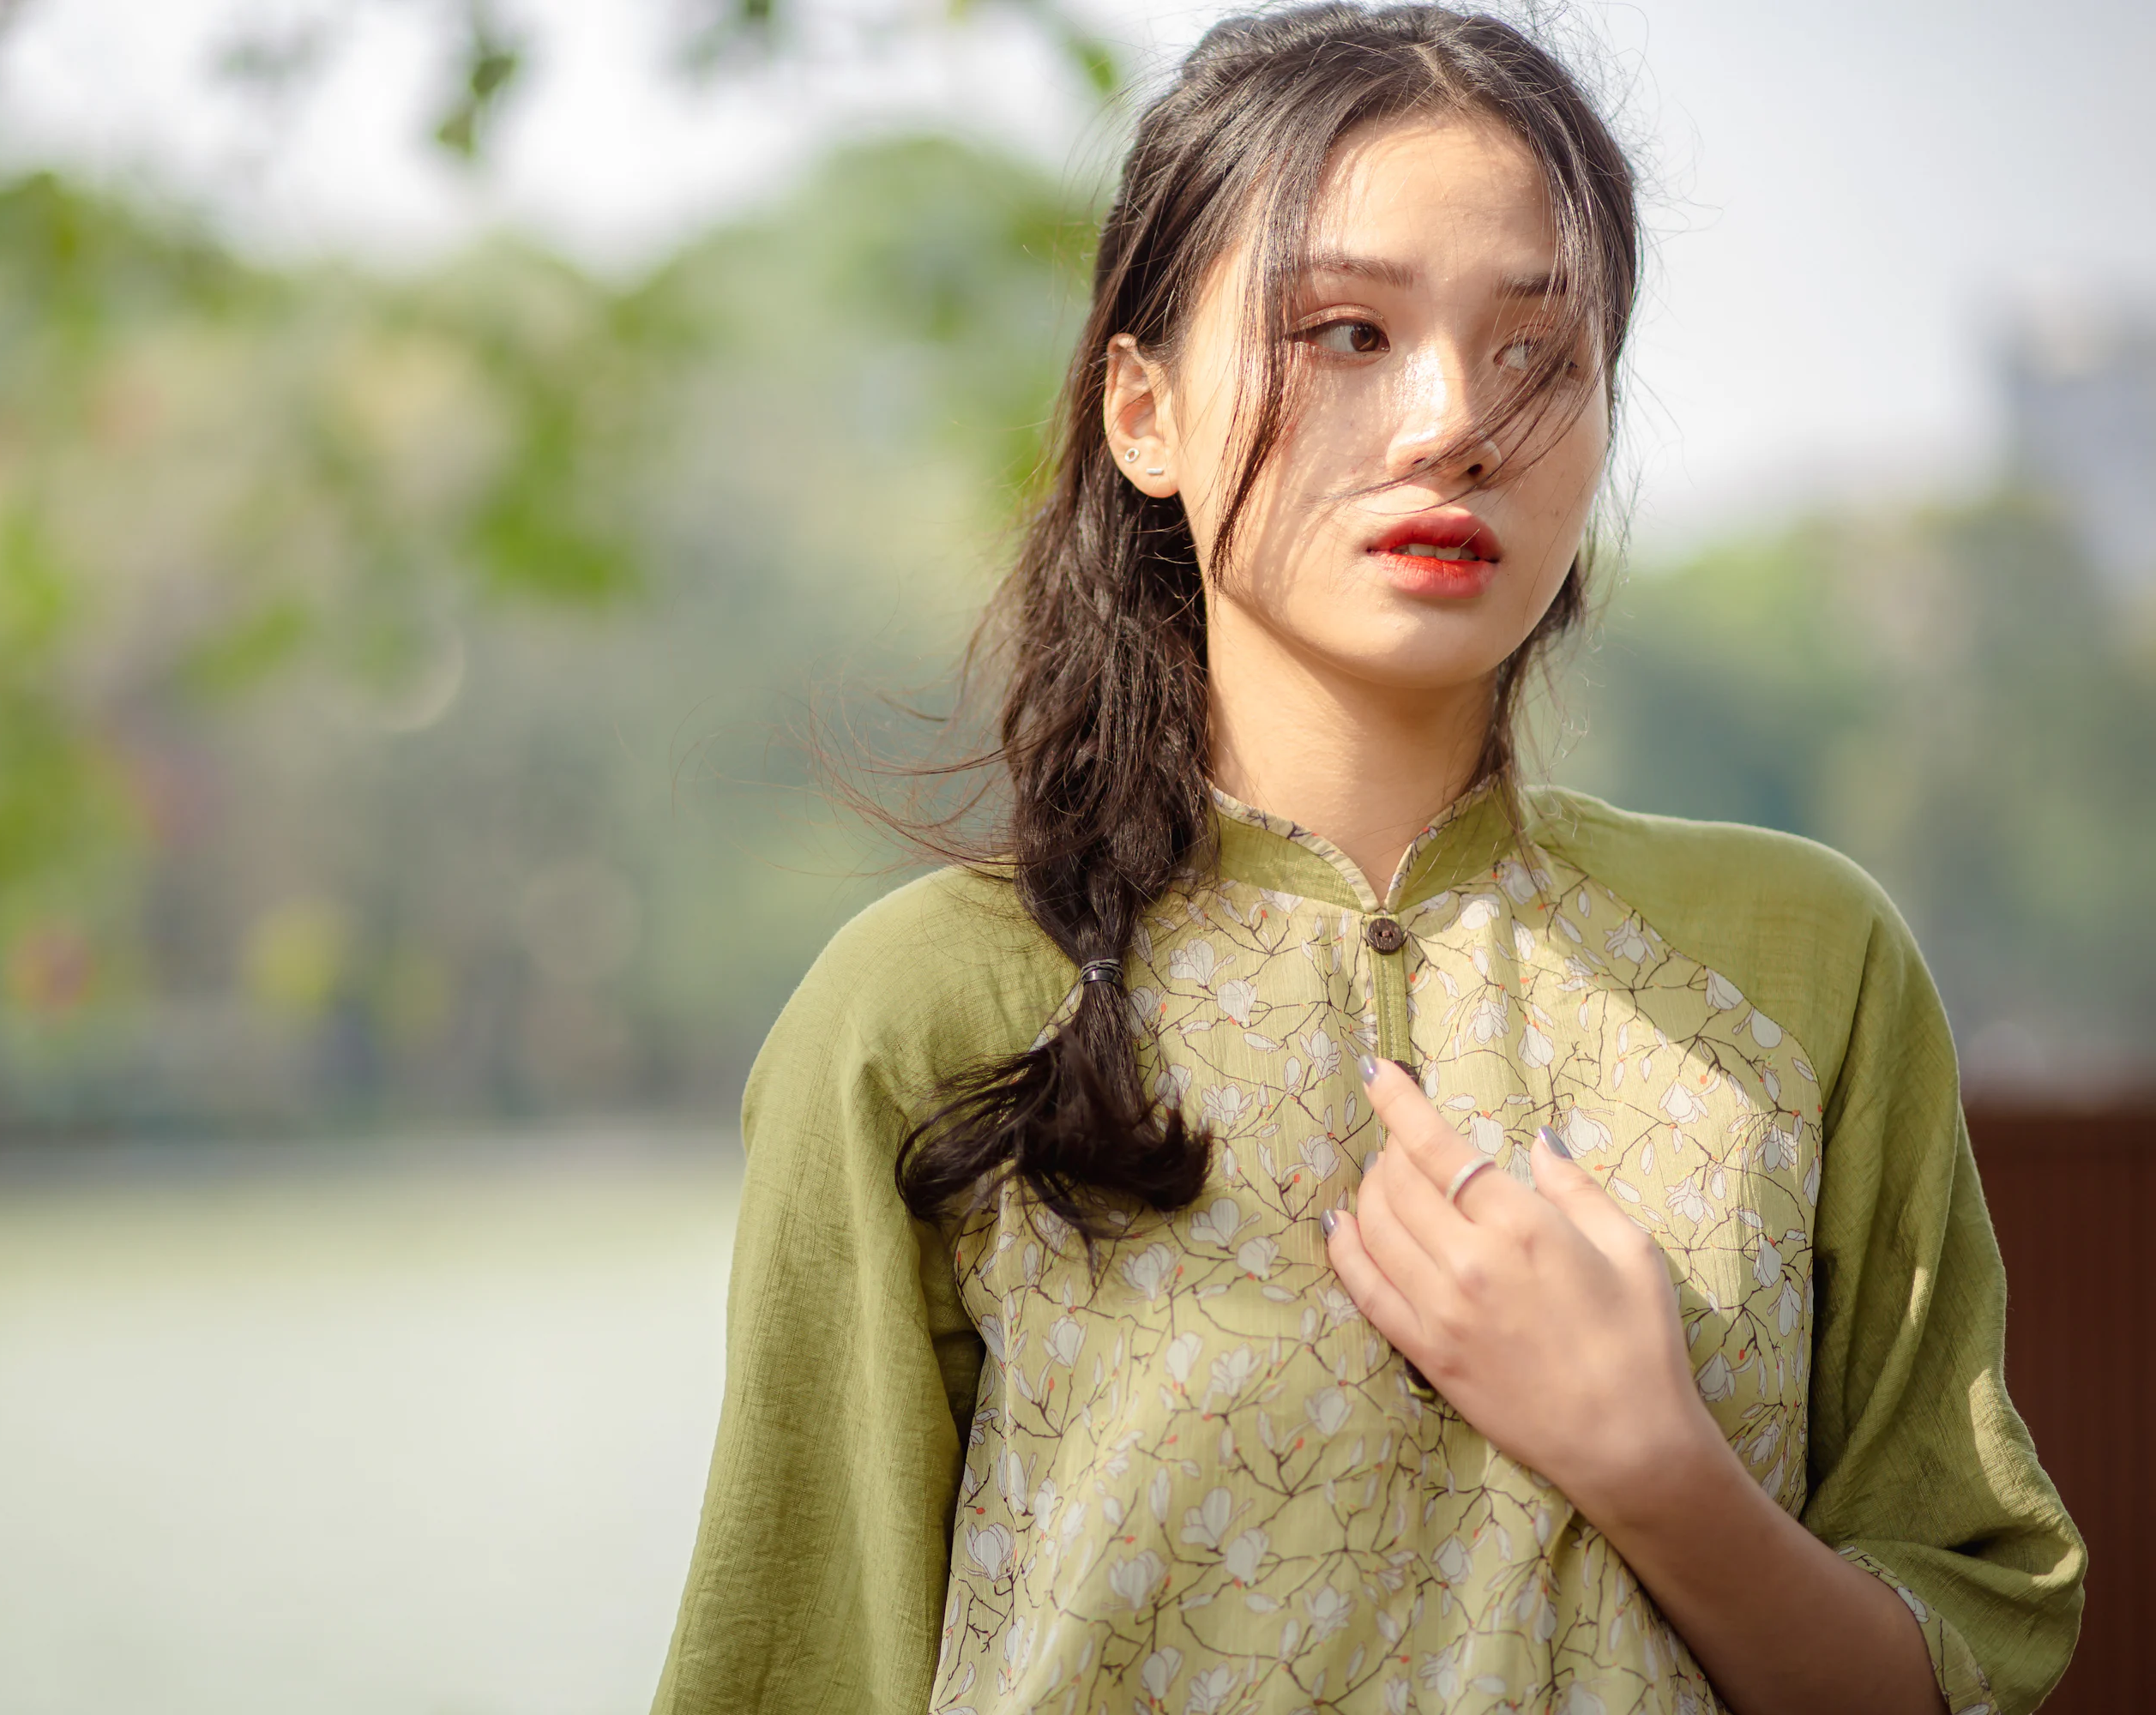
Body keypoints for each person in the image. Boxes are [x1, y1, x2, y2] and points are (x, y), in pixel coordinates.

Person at [652, 6, 2086, 1712]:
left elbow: (1965, 1673)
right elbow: (793, 1667)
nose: (1449, 420)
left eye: (1536, 350)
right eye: (1345, 331)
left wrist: (1656, 1467)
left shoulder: (1805, 964)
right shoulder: (921, 1012)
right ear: (1144, 410)